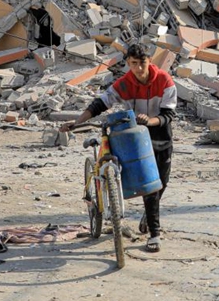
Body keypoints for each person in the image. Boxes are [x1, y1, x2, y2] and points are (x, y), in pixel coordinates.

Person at [61, 44, 177, 252]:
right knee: (149, 186)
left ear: (149, 61)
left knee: (161, 183)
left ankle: (150, 214)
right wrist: (77, 122)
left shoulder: (164, 81)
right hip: (135, 141)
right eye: (134, 64)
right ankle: (154, 233)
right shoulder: (124, 84)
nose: (139, 69)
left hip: (159, 137)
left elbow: (168, 115)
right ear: (128, 64)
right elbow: (100, 104)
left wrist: (150, 121)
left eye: (142, 63)